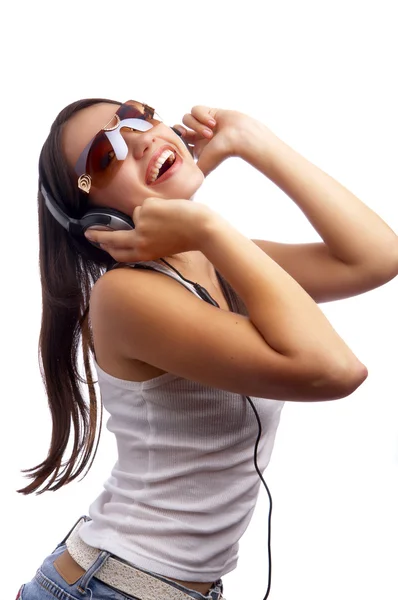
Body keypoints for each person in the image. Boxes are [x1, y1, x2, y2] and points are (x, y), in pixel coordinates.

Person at [16, 98, 398, 600]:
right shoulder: (126, 295)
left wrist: (252, 140)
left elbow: (375, 257)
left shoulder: (211, 261)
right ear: (98, 220)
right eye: (104, 156)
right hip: (111, 587)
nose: (138, 138)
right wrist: (208, 226)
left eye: (136, 115)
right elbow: (334, 370)